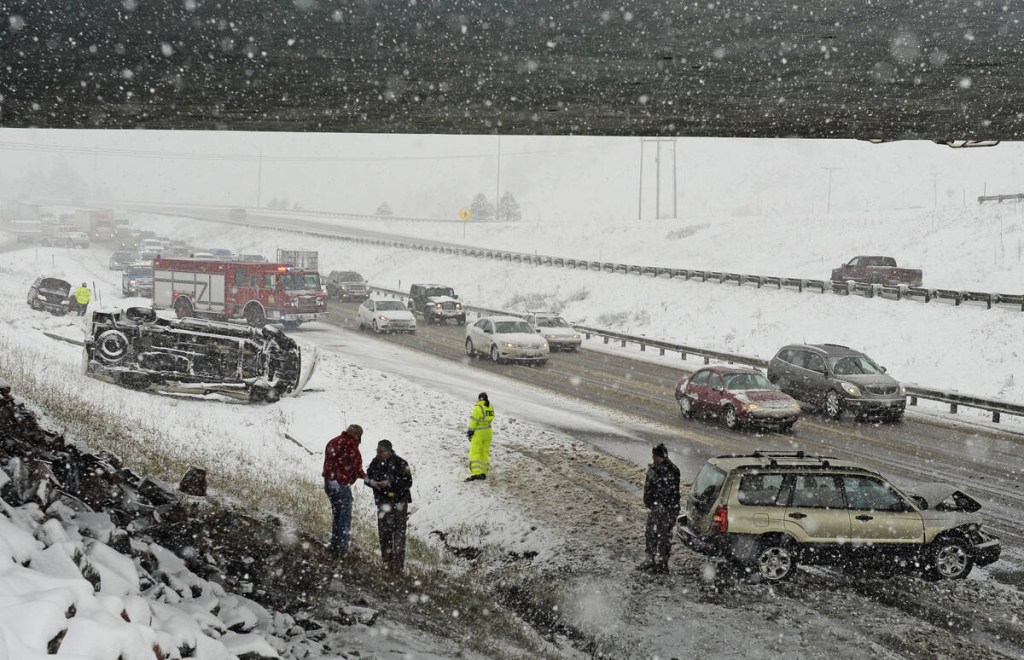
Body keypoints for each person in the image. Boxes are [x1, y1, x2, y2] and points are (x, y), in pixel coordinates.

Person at [364, 439, 413, 571]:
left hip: (399, 503)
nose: (378, 454)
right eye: (377, 451)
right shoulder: (375, 462)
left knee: (398, 534)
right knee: (384, 533)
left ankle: (397, 566)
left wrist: (390, 483)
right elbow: (367, 479)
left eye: (381, 452)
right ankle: (386, 562)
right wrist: (374, 483)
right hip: (382, 503)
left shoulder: (401, 463)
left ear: (389, 451)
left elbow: (408, 482)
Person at [322, 424, 366, 554]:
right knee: (345, 516)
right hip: (341, 484)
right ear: (357, 436)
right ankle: (342, 546)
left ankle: (335, 543)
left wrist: (331, 479)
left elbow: (329, 463)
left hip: (329, 483)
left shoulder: (333, 441)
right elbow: (356, 468)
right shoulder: (351, 446)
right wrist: (367, 478)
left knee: (337, 514)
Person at [638, 443, 681, 574]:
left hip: (667, 510)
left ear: (662, 456)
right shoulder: (654, 468)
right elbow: (650, 487)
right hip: (655, 508)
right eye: (654, 456)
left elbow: (669, 492)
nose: (654, 458)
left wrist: (662, 505)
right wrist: (651, 503)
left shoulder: (671, 470)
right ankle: (649, 560)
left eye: (656, 456)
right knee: (650, 534)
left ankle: (663, 564)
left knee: (664, 537)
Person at [465, 392, 494, 482]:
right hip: (488, 431)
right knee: (484, 452)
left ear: (479, 399)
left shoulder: (478, 408)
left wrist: (470, 432)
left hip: (479, 432)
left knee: (475, 452)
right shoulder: (490, 406)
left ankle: (475, 474)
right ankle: (483, 473)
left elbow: (474, 421)